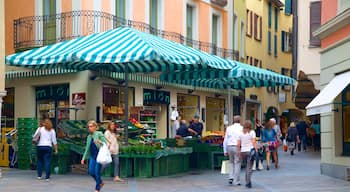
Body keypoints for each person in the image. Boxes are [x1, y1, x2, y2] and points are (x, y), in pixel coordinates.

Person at [81, 120, 107, 192]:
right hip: (93, 156)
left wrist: (100, 141)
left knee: (96, 172)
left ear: (95, 127)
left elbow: (106, 144)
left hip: (99, 156)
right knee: (91, 172)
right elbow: (87, 148)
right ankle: (100, 182)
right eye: (88, 127)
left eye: (91, 126)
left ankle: (97, 189)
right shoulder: (89, 137)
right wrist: (83, 158)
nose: (89, 128)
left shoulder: (99, 134)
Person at [223, 115, 243, 186]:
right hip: (237, 146)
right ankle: (236, 180)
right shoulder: (241, 128)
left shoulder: (229, 128)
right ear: (239, 120)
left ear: (233, 121)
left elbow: (225, 139)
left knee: (231, 162)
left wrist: (225, 150)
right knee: (237, 163)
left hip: (229, 146)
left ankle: (230, 177)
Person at [237, 120, 257, 188]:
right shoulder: (252, 132)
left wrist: (239, 152)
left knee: (247, 166)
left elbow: (238, 144)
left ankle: (247, 180)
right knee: (249, 167)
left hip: (243, 151)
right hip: (250, 151)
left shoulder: (240, 133)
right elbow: (254, 142)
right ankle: (248, 182)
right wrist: (256, 149)